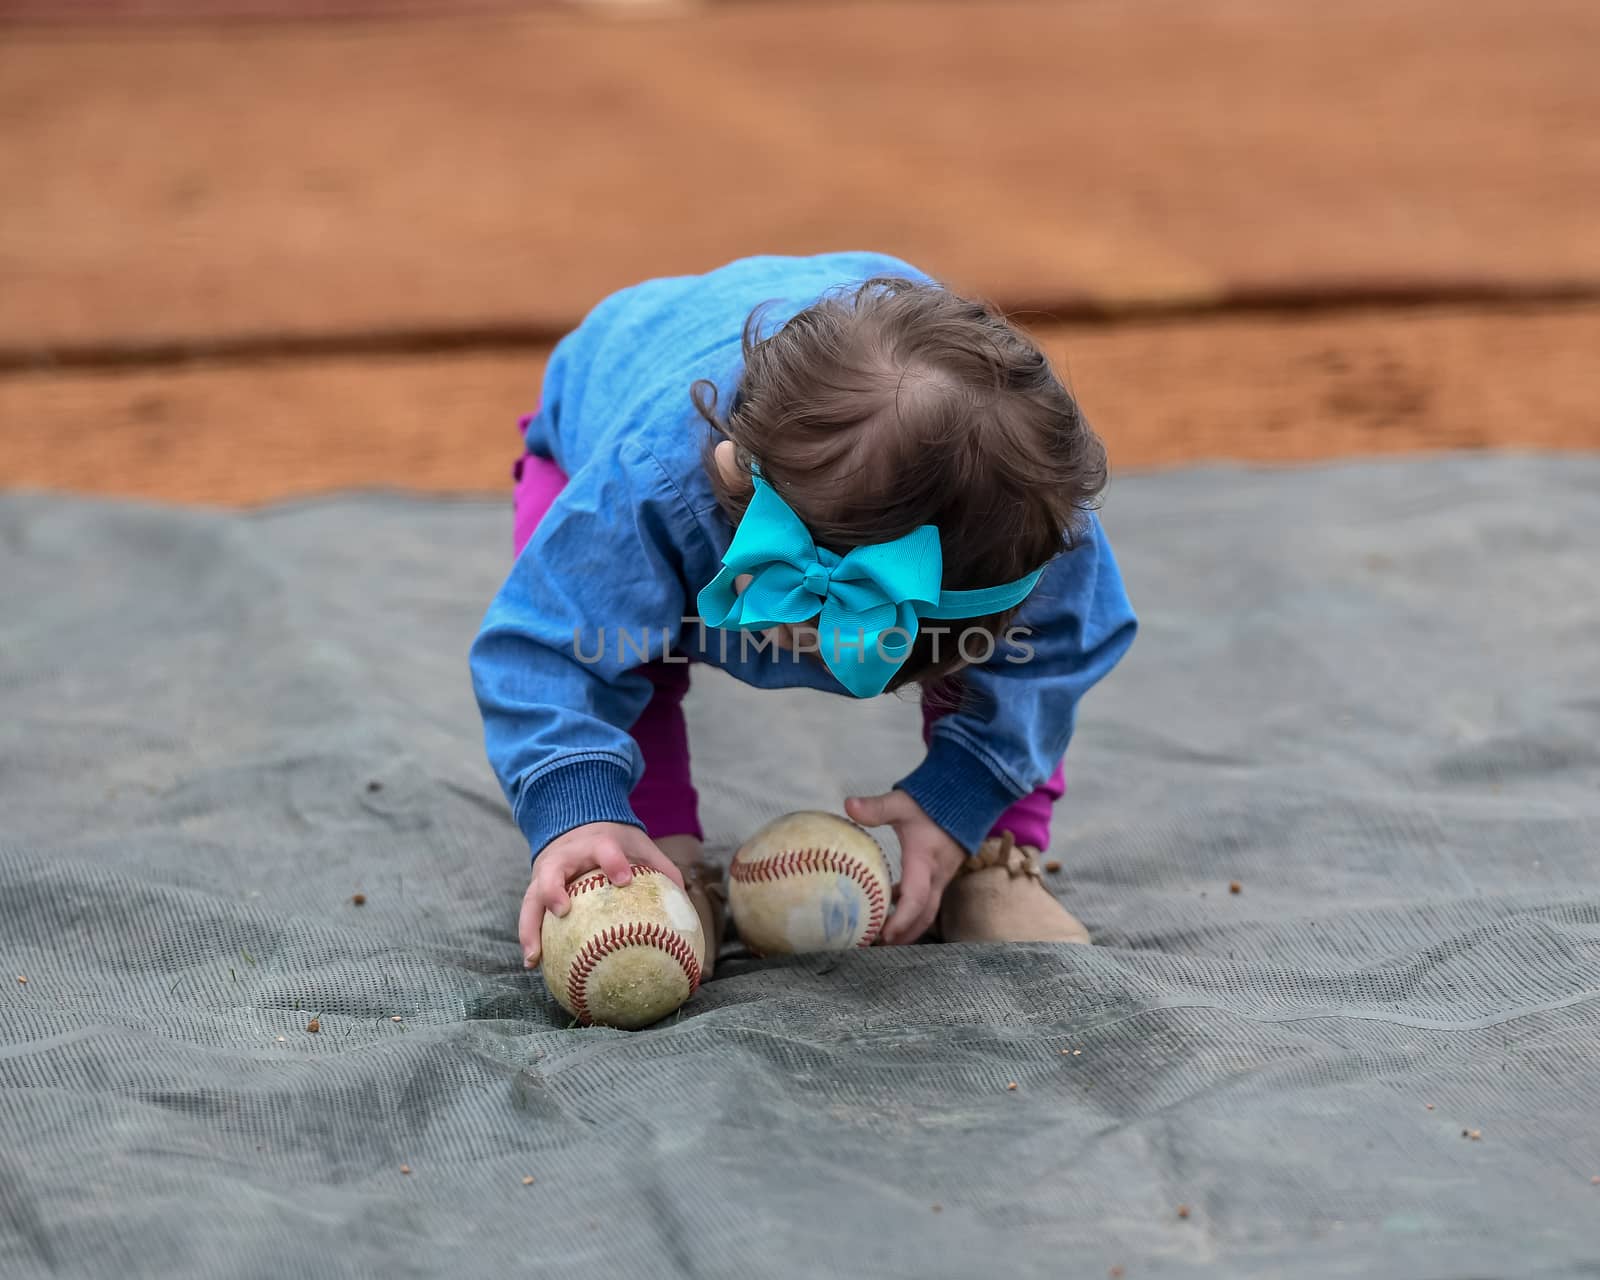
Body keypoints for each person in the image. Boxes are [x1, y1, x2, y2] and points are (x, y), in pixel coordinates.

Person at [469, 253, 1137, 976]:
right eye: (808, 614)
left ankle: (991, 853)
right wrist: (576, 806)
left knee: (1006, 672)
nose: (807, 639)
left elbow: (1052, 653)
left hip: (902, 446)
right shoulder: (645, 483)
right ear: (732, 474)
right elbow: (550, 649)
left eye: (859, 632)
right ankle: (654, 857)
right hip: (597, 417)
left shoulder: (1029, 519)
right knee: (622, 637)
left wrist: (963, 795)